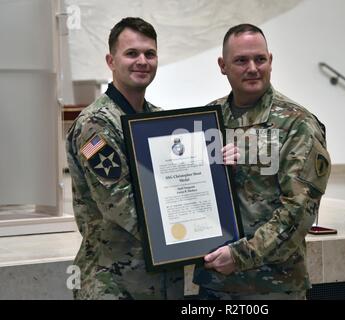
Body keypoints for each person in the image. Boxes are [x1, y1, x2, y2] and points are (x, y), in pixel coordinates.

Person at [193, 24, 331, 300]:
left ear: (271, 60)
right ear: (223, 65)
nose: (253, 68)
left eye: (260, 59)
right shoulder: (207, 120)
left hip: (274, 287)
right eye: (241, 60)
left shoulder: (297, 124)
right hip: (216, 286)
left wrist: (242, 255)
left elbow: (299, 210)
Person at [66, 17, 185, 300]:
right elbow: (119, 204)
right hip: (115, 284)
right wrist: (192, 237)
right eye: (131, 53)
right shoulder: (95, 125)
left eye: (150, 53)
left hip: (162, 282)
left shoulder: (159, 120)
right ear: (111, 60)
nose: (142, 61)